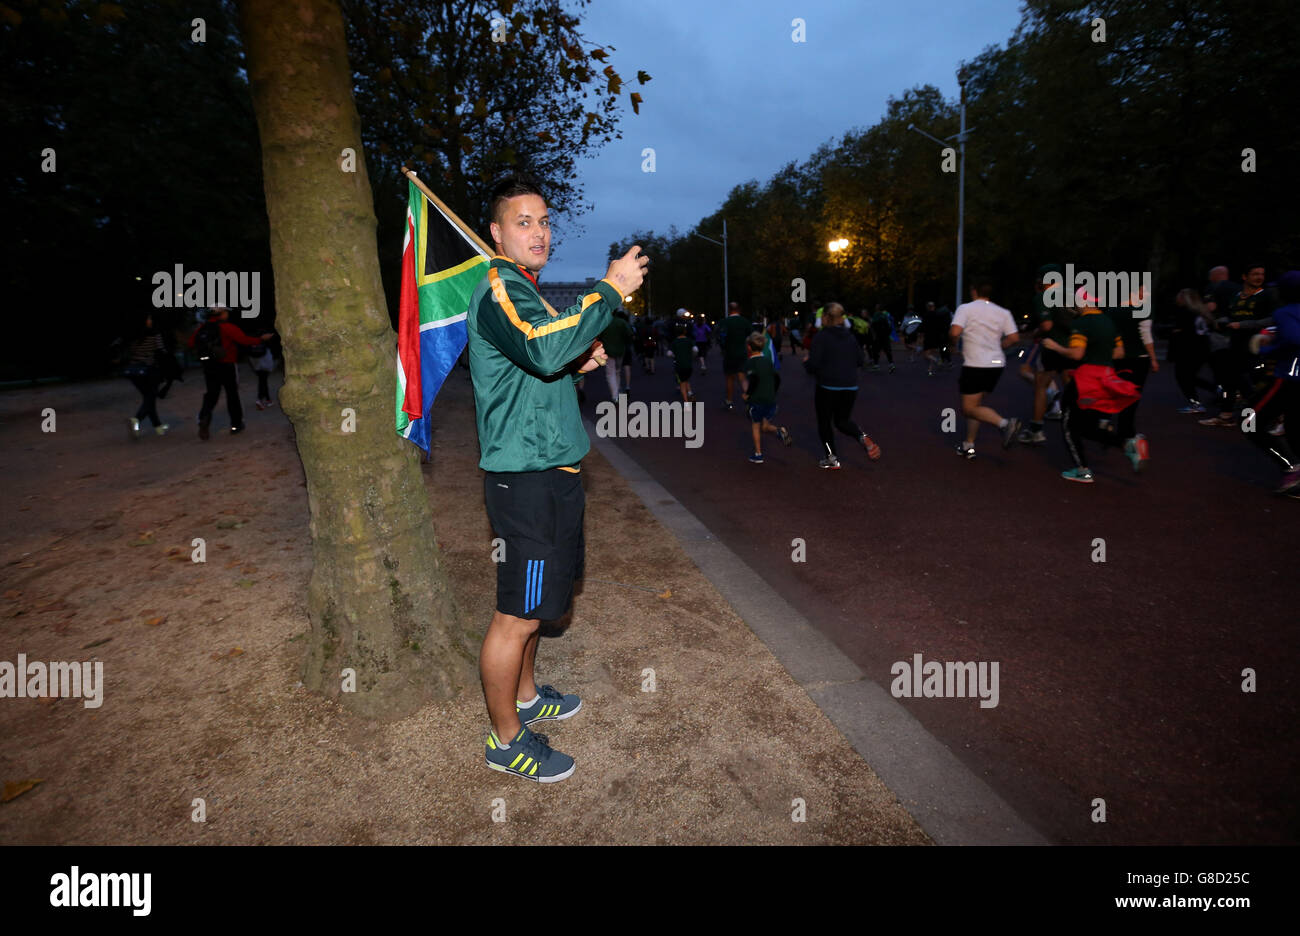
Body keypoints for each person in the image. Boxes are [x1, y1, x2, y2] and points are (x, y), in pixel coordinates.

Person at [468, 176, 647, 783]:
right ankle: (505, 740)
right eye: (524, 221)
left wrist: (579, 361)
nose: (539, 231)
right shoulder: (498, 286)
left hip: (557, 469)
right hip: (527, 477)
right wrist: (609, 289)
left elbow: (543, 369)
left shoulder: (526, 289)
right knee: (516, 613)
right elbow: (543, 353)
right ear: (496, 233)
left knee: (540, 604)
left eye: (544, 221)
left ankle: (524, 697)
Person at [1041, 289, 1144, 482]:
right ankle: (1125, 444)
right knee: (1087, 426)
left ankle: (1082, 469)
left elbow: (1076, 354)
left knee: (1069, 424)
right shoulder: (1108, 321)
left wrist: (1055, 347)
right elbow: (1120, 352)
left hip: (1085, 379)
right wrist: (1099, 355)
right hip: (1105, 378)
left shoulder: (1081, 323)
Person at [949, 280, 1022, 459]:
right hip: (996, 365)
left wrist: (953, 345)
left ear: (973, 290)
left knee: (968, 409)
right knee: (976, 406)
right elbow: (1014, 337)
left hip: (975, 364)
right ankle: (969, 444)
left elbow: (955, 332)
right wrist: (999, 345)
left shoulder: (966, 309)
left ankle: (1005, 424)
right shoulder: (1002, 312)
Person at [802, 302, 880, 469]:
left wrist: (807, 363)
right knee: (843, 421)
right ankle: (862, 436)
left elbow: (813, 365)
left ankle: (832, 458)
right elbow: (860, 360)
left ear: (826, 317)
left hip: (827, 386)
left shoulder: (821, 337)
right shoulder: (850, 336)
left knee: (824, 423)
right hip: (850, 386)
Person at [1201, 264, 1276, 427]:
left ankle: (1260, 419)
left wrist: (1243, 325)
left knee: (1248, 382)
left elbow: (1272, 319)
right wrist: (1222, 322)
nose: (1259, 277)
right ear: (1244, 277)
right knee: (1229, 380)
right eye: (1255, 274)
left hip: (1256, 346)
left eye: (1262, 274)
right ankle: (1226, 416)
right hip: (1235, 344)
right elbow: (1230, 316)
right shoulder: (1236, 296)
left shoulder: (1266, 296)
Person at [1247, 270, 1300, 495]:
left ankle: (1291, 468)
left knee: (1248, 421)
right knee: (1294, 428)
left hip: (1290, 376)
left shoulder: (1284, 312)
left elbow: (1294, 339)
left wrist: (1267, 349)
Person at [186, 307, 273, 439]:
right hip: (227, 365)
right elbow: (244, 340)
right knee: (232, 394)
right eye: (226, 312)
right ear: (221, 313)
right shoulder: (227, 327)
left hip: (209, 366)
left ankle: (204, 418)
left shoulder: (202, 328)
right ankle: (236, 425)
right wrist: (261, 339)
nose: (228, 314)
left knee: (211, 395)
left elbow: (191, 343)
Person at [1018, 264, 1072, 445]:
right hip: (1074, 346)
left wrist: (1036, 333)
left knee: (1041, 386)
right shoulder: (1073, 295)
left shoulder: (1043, 296)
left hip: (1053, 346)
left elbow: (1047, 325)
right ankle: (1076, 422)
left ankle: (1036, 429)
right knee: (1071, 386)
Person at [742, 331, 791, 462]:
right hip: (770, 400)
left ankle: (758, 454)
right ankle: (779, 430)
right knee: (765, 426)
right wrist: (772, 392)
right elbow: (777, 378)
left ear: (749, 347)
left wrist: (747, 394)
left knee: (756, 426)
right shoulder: (767, 361)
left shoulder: (750, 363)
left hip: (757, 400)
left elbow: (754, 379)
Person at [122, 313, 170, 438]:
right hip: (149, 370)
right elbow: (161, 351)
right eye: (148, 318)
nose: (150, 320)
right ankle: (136, 419)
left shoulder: (132, 335)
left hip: (133, 371)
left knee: (148, 398)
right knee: (150, 398)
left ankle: (158, 427)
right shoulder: (154, 334)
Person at [1171, 287, 1216, 412]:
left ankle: (1195, 403)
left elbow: (1182, 331)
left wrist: (1176, 332)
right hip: (1203, 348)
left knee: (1182, 376)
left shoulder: (1185, 312)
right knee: (1190, 376)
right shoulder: (1202, 312)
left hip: (1189, 349)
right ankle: (1216, 389)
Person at [720, 300, 751, 410]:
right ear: (739, 310)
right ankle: (748, 398)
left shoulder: (724, 322)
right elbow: (751, 336)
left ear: (729, 310)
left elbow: (721, 337)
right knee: (742, 377)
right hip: (742, 353)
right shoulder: (745, 322)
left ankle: (729, 401)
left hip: (729, 354)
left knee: (729, 378)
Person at [599, 308, 634, 398]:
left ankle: (615, 395)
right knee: (617, 371)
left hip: (607, 351)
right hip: (620, 350)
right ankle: (618, 389)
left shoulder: (604, 323)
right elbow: (629, 334)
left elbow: (598, 337)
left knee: (610, 374)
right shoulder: (621, 322)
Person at [670, 323, 697, 403]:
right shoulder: (689, 341)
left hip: (679, 366)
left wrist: (674, 355)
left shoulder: (674, 342)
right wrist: (692, 356)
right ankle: (690, 393)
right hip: (689, 365)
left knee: (682, 383)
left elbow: (669, 353)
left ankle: (686, 402)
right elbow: (695, 350)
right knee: (686, 379)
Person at [249, 338, 276, 410]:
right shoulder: (266, 346)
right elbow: (269, 359)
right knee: (263, 382)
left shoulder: (254, 345)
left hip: (257, 366)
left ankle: (268, 399)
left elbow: (250, 357)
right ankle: (260, 399)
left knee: (263, 382)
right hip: (265, 367)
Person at [869, 304, 894, 372]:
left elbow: (872, 326)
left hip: (878, 336)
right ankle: (891, 364)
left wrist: (873, 335)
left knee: (876, 351)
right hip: (885, 336)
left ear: (877, 309)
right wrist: (888, 334)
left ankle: (876, 365)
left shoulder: (875, 316)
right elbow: (889, 326)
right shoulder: (885, 316)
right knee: (887, 350)